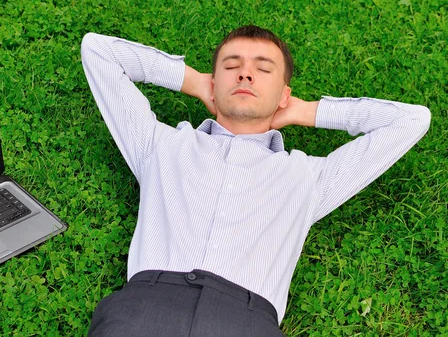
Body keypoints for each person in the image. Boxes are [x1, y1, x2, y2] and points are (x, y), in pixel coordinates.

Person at [80, 25, 430, 336]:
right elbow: (98, 50)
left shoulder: (308, 177)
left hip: (244, 321)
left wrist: (306, 111)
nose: (245, 74)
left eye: (263, 69)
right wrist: (194, 81)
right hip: (146, 310)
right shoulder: (159, 144)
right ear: (213, 84)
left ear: (283, 94)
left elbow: (411, 121)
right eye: (232, 66)